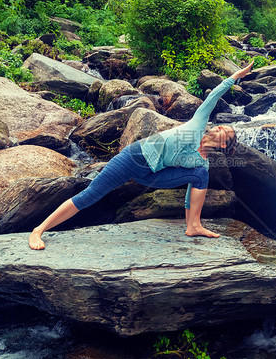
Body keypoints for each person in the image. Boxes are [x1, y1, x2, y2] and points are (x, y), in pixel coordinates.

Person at [28, 60, 254, 250]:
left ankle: (193, 226)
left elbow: (190, 194)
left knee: (199, 176)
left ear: (224, 144)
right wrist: (236, 75)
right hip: (134, 157)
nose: (219, 128)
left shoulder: (201, 163)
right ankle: (38, 230)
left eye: (226, 132)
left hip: (151, 175)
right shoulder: (197, 126)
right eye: (222, 127)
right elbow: (214, 96)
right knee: (90, 195)